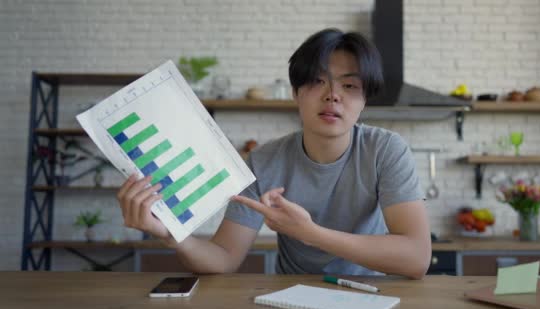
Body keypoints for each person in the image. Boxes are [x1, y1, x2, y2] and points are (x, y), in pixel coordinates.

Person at [117, 28, 431, 278]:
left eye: (349, 87)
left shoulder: (386, 150)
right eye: (318, 81)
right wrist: (172, 235)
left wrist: (311, 234)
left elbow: (417, 258)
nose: (333, 95)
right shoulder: (264, 161)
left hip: (373, 292)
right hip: (292, 299)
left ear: (365, 100)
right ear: (295, 93)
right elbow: (224, 258)